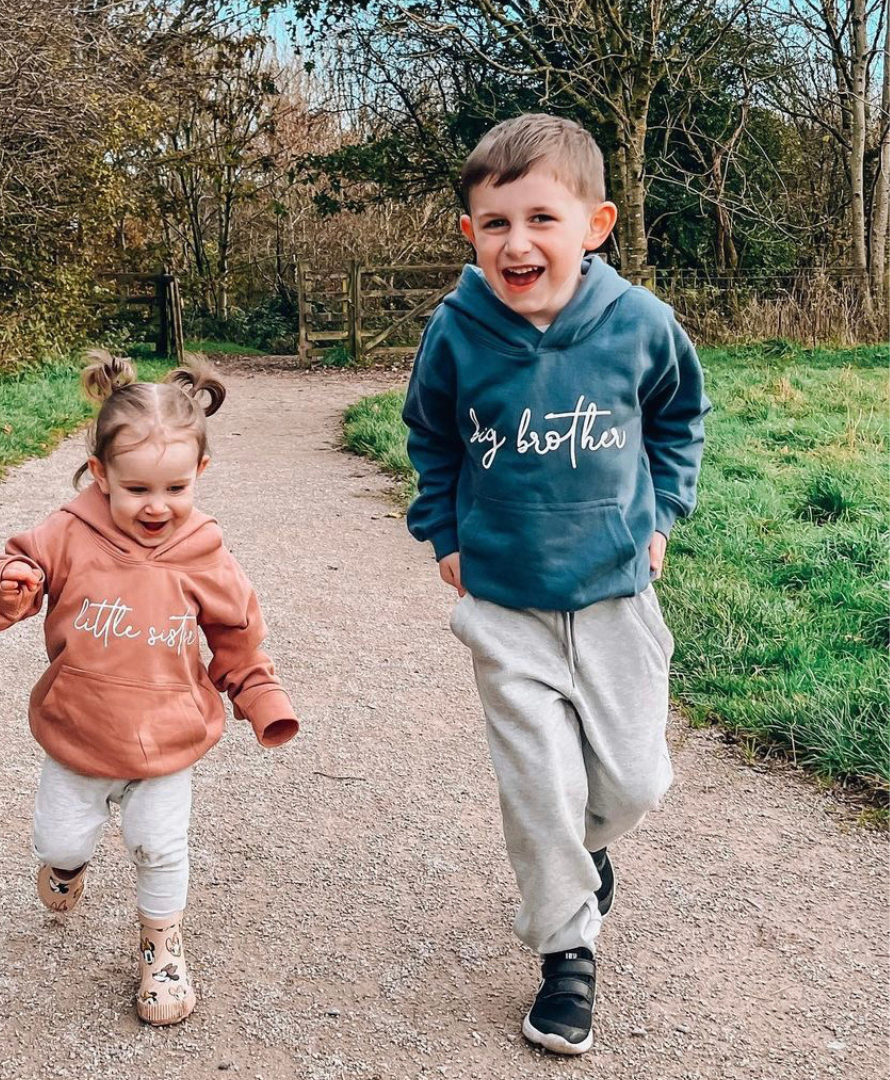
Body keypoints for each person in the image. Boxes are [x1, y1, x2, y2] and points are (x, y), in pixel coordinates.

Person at [402, 113, 710, 1055]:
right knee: (539, 788)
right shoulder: (456, 334)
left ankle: (587, 855)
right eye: (494, 223)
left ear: (596, 222)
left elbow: (678, 421)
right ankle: (566, 953)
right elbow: (432, 438)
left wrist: (660, 518)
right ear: (470, 234)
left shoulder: (641, 326)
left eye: (542, 217)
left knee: (635, 779)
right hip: (504, 605)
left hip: (617, 594)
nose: (518, 241)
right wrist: (443, 531)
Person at [0, 351, 298, 1026]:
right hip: (78, 733)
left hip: (169, 737)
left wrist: (261, 698)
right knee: (61, 843)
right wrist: (6, 587)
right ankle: (65, 869)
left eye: (175, 489)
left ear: (199, 474)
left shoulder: (208, 557)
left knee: (159, 846)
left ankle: (161, 947)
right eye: (137, 489)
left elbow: (237, 639)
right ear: (100, 474)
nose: (157, 506)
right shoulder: (65, 535)